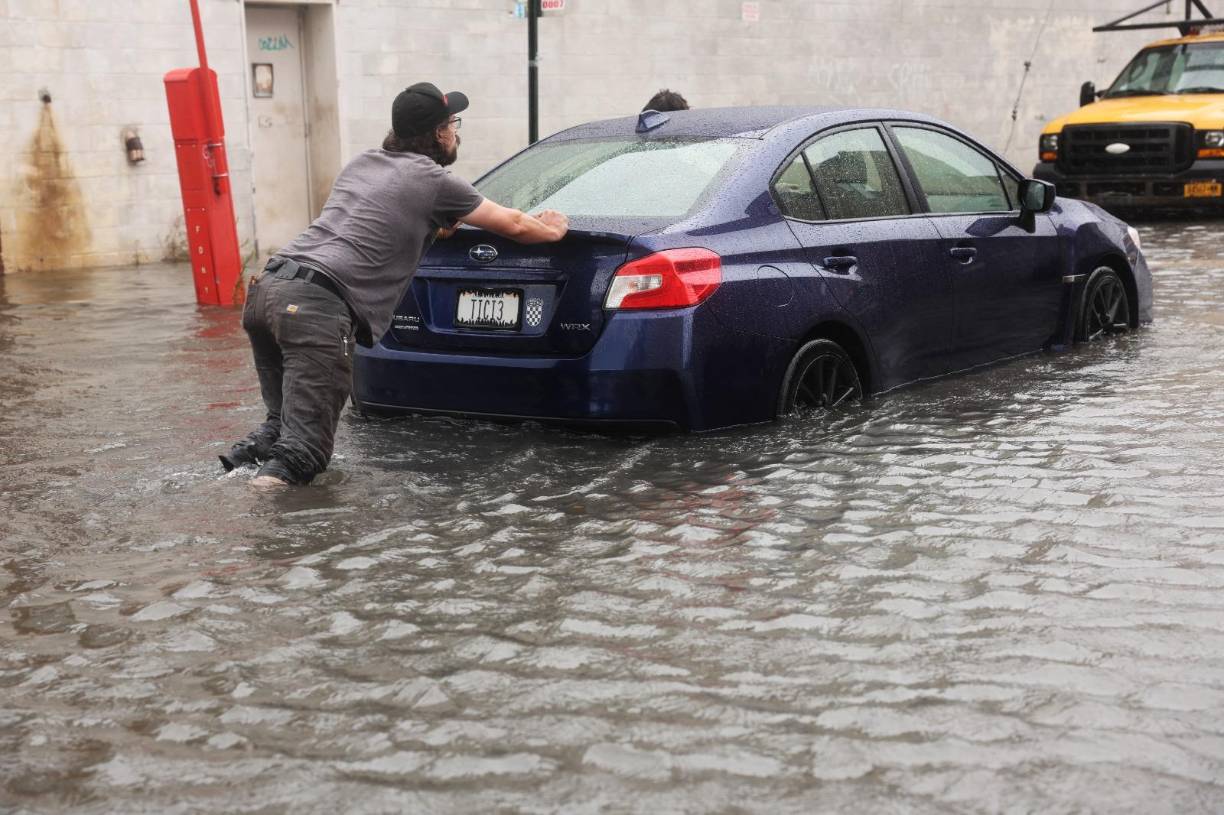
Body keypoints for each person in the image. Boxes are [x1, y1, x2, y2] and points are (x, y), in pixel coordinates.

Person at [221, 81, 569, 487]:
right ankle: (258, 530)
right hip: (315, 307)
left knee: (279, 430)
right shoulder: (437, 182)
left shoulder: (363, 163)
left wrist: (438, 227)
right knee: (301, 454)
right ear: (440, 133)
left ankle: (228, 480)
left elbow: (380, 220)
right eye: (454, 123)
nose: (457, 131)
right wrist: (553, 230)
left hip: (269, 289)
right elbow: (513, 224)